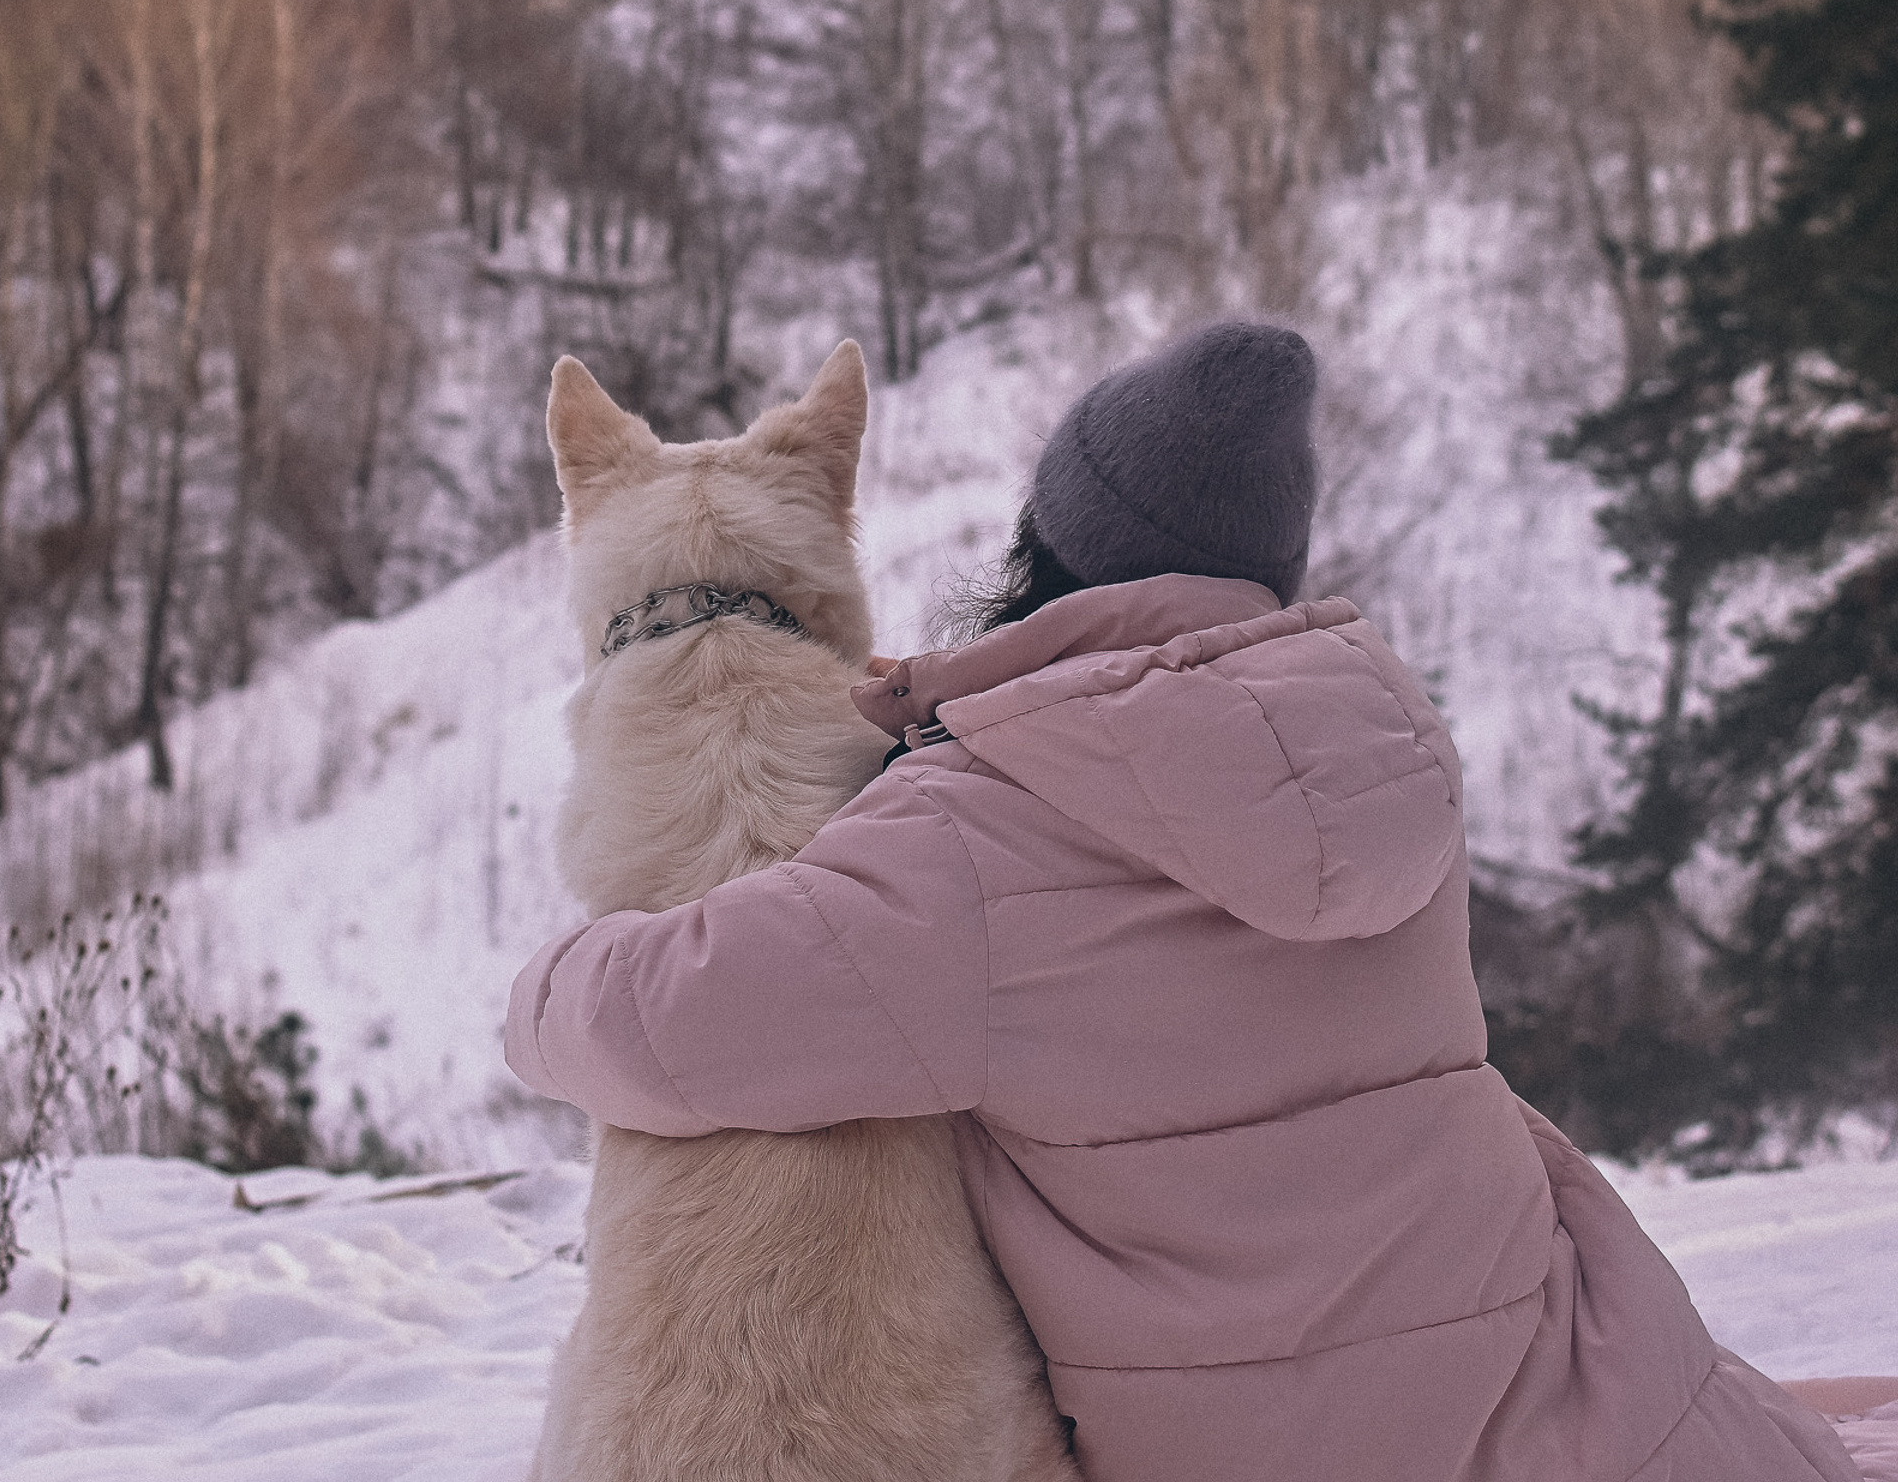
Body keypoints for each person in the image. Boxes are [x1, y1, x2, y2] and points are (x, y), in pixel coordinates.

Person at [505, 322, 1862, 1482]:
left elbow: (661, 1026)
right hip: (1558, 1374)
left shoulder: (974, 830)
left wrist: (546, 986)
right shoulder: (1389, 743)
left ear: (1049, 543)